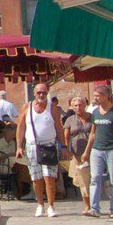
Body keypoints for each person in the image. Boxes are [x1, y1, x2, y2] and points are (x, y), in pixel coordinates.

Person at [16, 85, 65, 217]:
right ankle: (40, 204)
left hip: (49, 145)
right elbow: (20, 127)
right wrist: (19, 146)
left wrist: (64, 146)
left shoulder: (52, 107)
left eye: (44, 93)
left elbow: (58, 126)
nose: (41, 95)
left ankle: (51, 206)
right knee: (36, 177)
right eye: (39, 93)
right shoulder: (26, 107)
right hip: (32, 146)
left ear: (47, 93)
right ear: (34, 93)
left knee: (49, 177)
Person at [86, 82, 113, 218]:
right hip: (97, 150)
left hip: (112, 150)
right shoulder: (95, 113)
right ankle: (94, 208)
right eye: (95, 96)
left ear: (106, 96)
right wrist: (87, 151)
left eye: (98, 96)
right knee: (95, 178)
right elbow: (93, 133)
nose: (95, 98)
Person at [62, 94, 92, 210]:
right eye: (76, 106)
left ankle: (93, 202)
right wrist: (67, 149)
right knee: (82, 180)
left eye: (80, 105)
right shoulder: (70, 120)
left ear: (85, 105)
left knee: (92, 178)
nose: (78, 107)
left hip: (91, 152)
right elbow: (66, 136)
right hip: (77, 154)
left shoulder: (92, 117)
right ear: (72, 107)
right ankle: (87, 205)